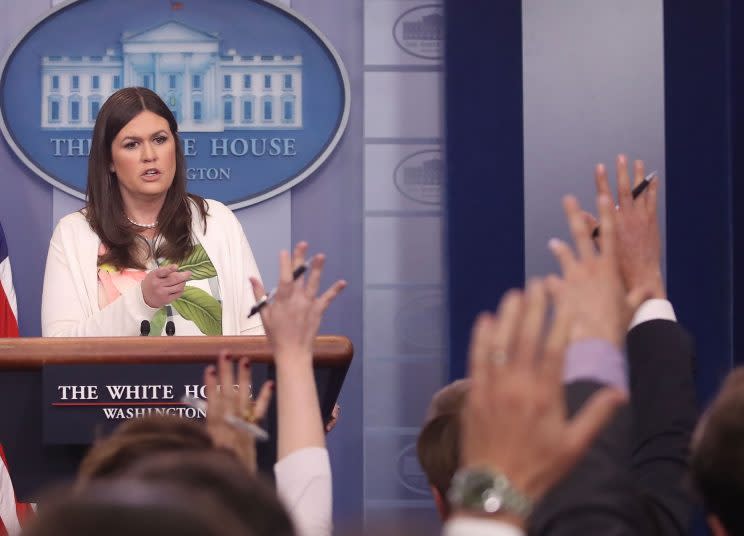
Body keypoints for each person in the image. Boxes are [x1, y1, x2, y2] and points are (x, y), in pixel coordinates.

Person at [41, 86, 263, 337]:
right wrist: (141, 301)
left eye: (159, 140)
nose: (150, 155)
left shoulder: (216, 220)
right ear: (110, 160)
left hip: (212, 377)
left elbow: (255, 331)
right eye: (132, 144)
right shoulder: (74, 233)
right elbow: (59, 346)